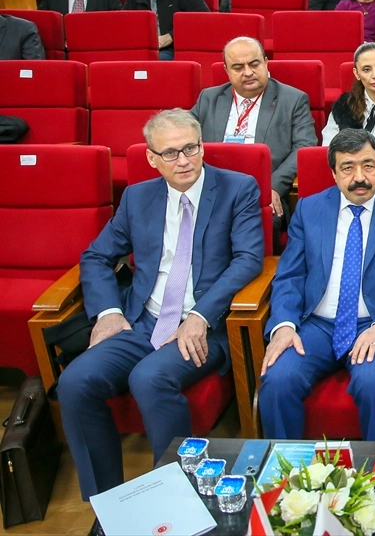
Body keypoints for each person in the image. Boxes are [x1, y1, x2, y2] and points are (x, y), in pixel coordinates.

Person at [57, 109, 264, 500]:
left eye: (190, 148)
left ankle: (176, 498)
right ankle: (106, 502)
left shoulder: (238, 188)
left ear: (202, 146)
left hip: (206, 324)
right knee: (75, 382)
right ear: (152, 158)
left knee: (149, 379)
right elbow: (97, 257)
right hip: (142, 319)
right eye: (170, 153)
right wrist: (108, 313)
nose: (183, 160)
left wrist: (201, 316)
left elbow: (249, 259)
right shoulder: (137, 197)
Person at [258, 128, 375, 440]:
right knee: (277, 380)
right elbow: (289, 275)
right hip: (317, 326)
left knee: (374, 384)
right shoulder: (310, 210)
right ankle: (287, 478)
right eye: (347, 168)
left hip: (374, 324)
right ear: (334, 174)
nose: (359, 177)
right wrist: (284, 324)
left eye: (368, 165)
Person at [191, 37, 317, 230]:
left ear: (266, 63)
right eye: (238, 67)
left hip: (261, 191)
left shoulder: (293, 100)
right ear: (226, 70)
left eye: (254, 64)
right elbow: (182, 134)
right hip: (212, 187)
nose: (248, 72)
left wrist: (273, 187)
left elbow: (304, 147)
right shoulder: (209, 98)